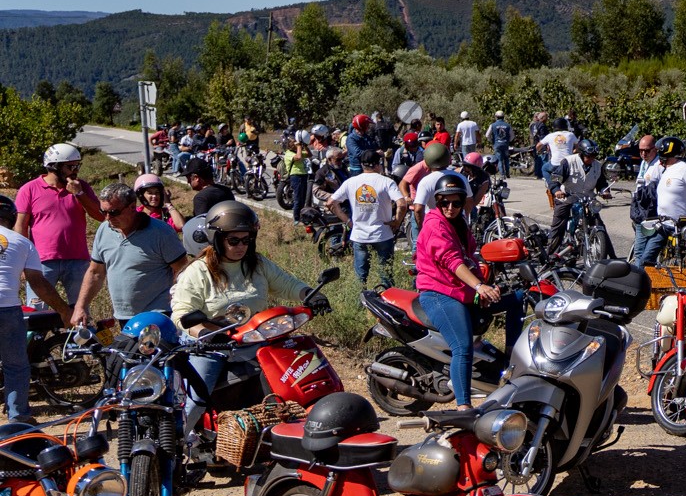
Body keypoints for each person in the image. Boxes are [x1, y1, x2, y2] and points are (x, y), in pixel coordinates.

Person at [171, 201, 322, 418]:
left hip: (255, 341)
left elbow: (287, 284)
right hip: (212, 347)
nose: (241, 246)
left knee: (295, 379)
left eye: (247, 239)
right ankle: (177, 443)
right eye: (234, 240)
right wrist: (204, 333)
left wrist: (310, 294)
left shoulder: (257, 263)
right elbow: (181, 313)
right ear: (217, 238)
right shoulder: (198, 271)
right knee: (195, 402)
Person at [414, 175, 522, 409]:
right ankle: (464, 407)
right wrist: (478, 287)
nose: (450, 208)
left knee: (518, 299)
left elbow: (470, 257)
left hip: (462, 290)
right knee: (462, 347)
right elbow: (452, 262)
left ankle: (513, 363)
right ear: (438, 202)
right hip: (438, 293)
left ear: (464, 202)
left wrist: (483, 285)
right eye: (445, 203)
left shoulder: (459, 222)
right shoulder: (435, 225)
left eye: (456, 203)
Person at [73, 184, 188, 324]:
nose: (108, 218)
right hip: (123, 316)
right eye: (103, 212)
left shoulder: (161, 232)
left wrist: (178, 303)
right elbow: (95, 273)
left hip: (157, 314)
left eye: (113, 212)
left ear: (132, 207)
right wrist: (80, 307)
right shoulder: (104, 230)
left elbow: (183, 270)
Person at [14, 143, 104, 308]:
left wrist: (80, 194)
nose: (75, 170)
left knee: (80, 312)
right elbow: (20, 227)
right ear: (54, 166)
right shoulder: (29, 189)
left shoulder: (81, 187)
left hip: (77, 260)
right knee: (37, 311)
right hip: (40, 261)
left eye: (78, 165)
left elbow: (100, 216)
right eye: (71, 166)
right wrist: (21, 260)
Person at [0, 214, 68, 419]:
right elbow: (38, 284)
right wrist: (64, 310)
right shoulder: (22, 242)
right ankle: (18, 417)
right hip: (7, 309)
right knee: (16, 366)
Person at [332, 150, 406, 288]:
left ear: (361, 165)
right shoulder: (387, 182)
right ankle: (388, 302)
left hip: (359, 235)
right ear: (378, 165)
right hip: (383, 234)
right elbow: (402, 204)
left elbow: (331, 202)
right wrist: (396, 221)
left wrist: (347, 220)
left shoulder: (351, 182)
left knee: (360, 277)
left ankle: (360, 301)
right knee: (386, 275)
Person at [627, 134, 669, 265]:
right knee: (640, 251)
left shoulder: (659, 165)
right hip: (640, 211)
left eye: (647, 150)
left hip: (650, 214)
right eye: (641, 150)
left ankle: (640, 281)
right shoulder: (644, 163)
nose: (643, 153)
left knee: (641, 252)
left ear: (655, 149)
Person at [488, 111, 513, 180]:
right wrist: (508, 141)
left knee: (499, 159)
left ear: (496, 117)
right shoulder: (508, 125)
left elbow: (487, 135)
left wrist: (492, 141)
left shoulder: (492, 125)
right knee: (506, 159)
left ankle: (502, 174)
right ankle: (508, 173)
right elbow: (512, 136)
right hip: (505, 144)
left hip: (497, 144)